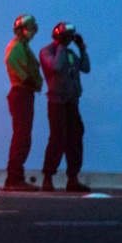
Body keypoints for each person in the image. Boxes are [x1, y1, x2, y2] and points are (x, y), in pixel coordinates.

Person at [39, 22, 92, 192]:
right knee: (57, 139)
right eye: (66, 35)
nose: (69, 39)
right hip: (57, 102)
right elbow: (56, 66)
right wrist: (61, 45)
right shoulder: (47, 52)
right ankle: (48, 178)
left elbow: (85, 68)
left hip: (72, 103)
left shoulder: (70, 53)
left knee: (75, 138)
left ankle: (73, 179)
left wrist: (82, 48)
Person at [4, 14, 44, 191]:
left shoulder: (24, 46)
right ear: (21, 29)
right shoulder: (17, 45)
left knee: (23, 137)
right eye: (30, 28)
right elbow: (10, 60)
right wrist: (25, 78)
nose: (33, 32)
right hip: (21, 93)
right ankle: (13, 179)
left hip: (25, 93)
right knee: (21, 137)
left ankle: (16, 177)